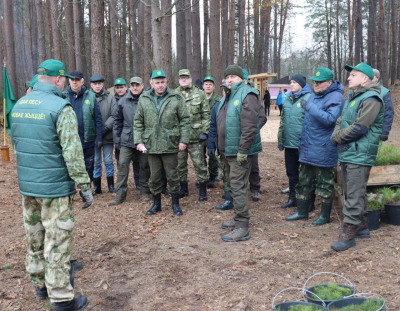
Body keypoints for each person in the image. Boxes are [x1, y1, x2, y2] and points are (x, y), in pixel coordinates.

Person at [11, 59, 91, 310]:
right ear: (58, 80)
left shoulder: (19, 105)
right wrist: (84, 186)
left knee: (35, 238)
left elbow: (18, 145)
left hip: (29, 186)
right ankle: (62, 299)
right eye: (65, 78)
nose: (66, 82)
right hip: (54, 189)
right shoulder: (60, 106)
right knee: (57, 242)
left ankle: (40, 287)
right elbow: (73, 152)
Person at [330, 63, 384, 251]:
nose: (348, 78)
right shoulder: (353, 97)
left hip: (359, 153)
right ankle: (361, 225)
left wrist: (337, 137)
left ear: (365, 79)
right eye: (349, 75)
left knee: (353, 194)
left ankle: (349, 234)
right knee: (353, 191)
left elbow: (361, 127)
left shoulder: (372, 99)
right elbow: (340, 120)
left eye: (353, 75)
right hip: (349, 151)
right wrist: (336, 134)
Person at [285, 68, 345, 226]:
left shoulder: (336, 97)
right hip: (307, 148)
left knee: (324, 184)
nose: (316, 84)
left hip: (324, 149)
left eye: (320, 82)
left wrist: (310, 107)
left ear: (330, 82)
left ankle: (324, 216)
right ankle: (302, 212)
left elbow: (329, 119)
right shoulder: (313, 96)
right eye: (315, 82)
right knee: (303, 181)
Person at [134, 70, 190, 216]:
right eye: (157, 82)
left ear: (167, 82)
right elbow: (138, 121)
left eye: (162, 82)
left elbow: (185, 120)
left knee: (173, 176)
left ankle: (175, 204)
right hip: (151, 145)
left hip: (170, 144)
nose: (160, 85)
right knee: (154, 177)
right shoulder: (144, 98)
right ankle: (156, 204)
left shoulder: (176, 98)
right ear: (151, 83)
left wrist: (183, 140)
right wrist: (139, 141)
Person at [217, 64, 262, 242]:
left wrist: (243, 150)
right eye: (227, 77)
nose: (229, 80)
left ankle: (243, 227)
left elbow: (250, 126)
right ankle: (237, 218)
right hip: (227, 151)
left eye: (233, 77)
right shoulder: (228, 96)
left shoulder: (247, 94)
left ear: (242, 79)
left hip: (239, 153)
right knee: (232, 185)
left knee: (237, 186)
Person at [110, 76, 151, 205]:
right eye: (132, 85)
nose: (135, 87)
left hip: (143, 140)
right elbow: (117, 122)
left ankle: (144, 192)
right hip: (127, 140)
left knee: (144, 166)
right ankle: (120, 195)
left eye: (137, 85)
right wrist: (117, 140)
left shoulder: (148, 100)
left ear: (142, 86)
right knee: (122, 165)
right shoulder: (122, 101)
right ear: (129, 86)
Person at [64, 70, 103, 199]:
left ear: (82, 81)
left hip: (87, 139)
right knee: (69, 166)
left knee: (88, 166)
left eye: (77, 80)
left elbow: (97, 118)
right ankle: (70, 192)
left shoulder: (90, 96)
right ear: (69, 81)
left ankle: (85, 191)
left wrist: (98, 137)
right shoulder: (63, 96)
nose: (74, 82)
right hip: (69, 140)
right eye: (72, 80)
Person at [277, 74, 313, 209]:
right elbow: (283, 121)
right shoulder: (287, 99)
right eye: (290, 82)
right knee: (291, 172)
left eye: (294, 82)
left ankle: (309, 201)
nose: (291, 84)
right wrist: (280, 139)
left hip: (303, 144)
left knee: (307, 174)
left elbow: (311, 122)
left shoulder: (309, 98)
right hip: (289, 143)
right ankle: (293, 198)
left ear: (302, 84)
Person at [175, 69, 210, 201]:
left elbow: (206, 114)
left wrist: (204, 132)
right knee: (180, 165)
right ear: (178, 80)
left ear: (190, 78)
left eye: (186, 77)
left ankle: (202, 190)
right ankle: (183, 189)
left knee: (200, 164)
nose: (183, 80)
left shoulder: (200, 94)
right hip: (179, 138)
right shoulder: (174, 94)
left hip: (196, 137)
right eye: (181, 78)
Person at [90, 75, 118, 194]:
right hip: (93, 135)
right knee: (96, 161)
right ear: (91, 85)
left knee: (108, 160)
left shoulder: (110, 98)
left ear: (103, 84)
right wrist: (94, 130)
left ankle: (111, 185)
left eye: (99, 84)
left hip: (107, 135)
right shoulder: (88, 97)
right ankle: (97, 187)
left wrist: (105, 127)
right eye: (95, 84)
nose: (97, 86)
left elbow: (114, 114)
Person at [203, 75, 222, 188]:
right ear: (203, 86)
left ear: (214, 87)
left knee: (213, 156)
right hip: (201, 132)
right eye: (206, 84)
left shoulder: (219, 99)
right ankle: (203, 176)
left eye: (210, 84)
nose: (208, 86)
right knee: (201, 156)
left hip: (213, 131)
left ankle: (213, 176)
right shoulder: (199, 98)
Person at [372, 69, 394, 141]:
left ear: (377, 78)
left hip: (376, 132)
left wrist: (385, 132)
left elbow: (389, 113)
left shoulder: (384, 92)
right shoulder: (362, 89)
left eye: (372, 76)